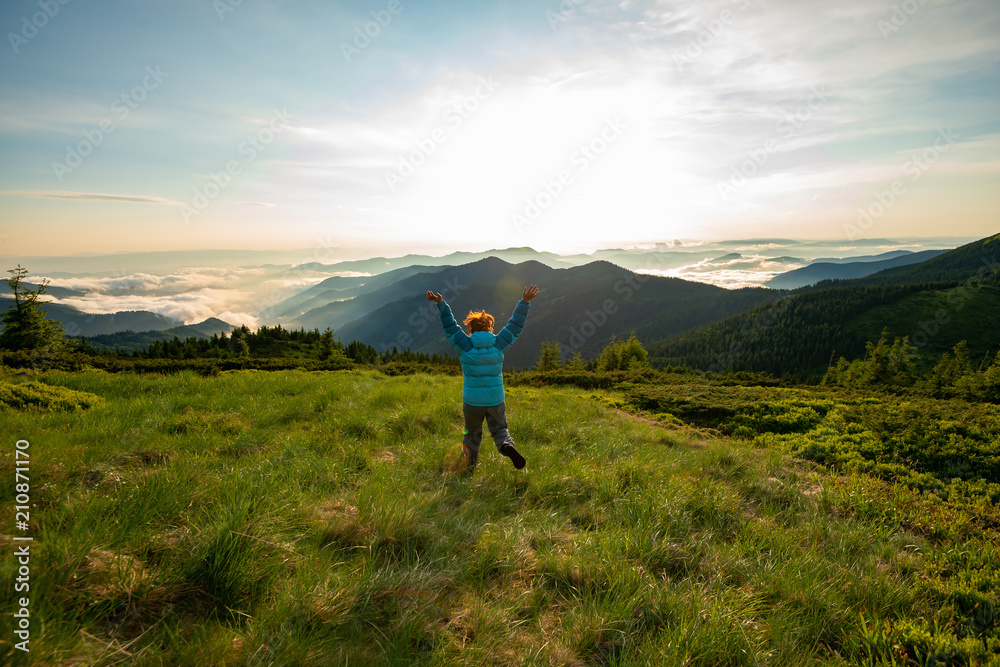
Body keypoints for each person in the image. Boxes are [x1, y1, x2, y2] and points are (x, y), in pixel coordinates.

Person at [425, 285, 539, 470]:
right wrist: (524, 302)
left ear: (470, 328)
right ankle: (506, 446)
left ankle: (470, 466)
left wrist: (440, 304)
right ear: (490, 327)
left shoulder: (464, 346)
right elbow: (515, 326)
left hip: (472, 402)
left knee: (471, 435)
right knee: (500, 430)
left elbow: (449, 326)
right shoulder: (499, 345)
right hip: (495, 399)